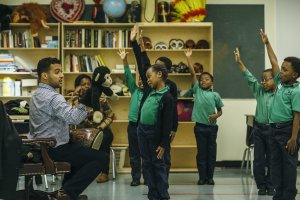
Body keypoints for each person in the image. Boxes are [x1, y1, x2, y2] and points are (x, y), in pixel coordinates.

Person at [29, 57, 109, 200]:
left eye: (61, 72)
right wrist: (84, 102)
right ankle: (66, 193)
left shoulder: (36, 94)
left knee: (80, 154)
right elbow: (75, 118)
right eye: (57, 72)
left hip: (41, 147)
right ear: (44, 75)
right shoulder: (53, 97)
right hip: (55, 149)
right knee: (101, 158)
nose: (62, 75)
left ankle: (65, 192)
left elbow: (61, 115)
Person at [130, 25, 178, 178]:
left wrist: (174, 128)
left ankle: (163, 186)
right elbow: (143, 63)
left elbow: (172, 110)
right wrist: (135, 44)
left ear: (162, 72)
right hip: (146, 128)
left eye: (157, 67)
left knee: (163, 159)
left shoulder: (170, 87)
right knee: (149, 160)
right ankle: (153, 187)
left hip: (162, 128)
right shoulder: (150, 84)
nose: (152, 69)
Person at [261, 29, 300, 200]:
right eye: (281, 69)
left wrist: (293, 138)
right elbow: (273, 60)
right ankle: (279, 193)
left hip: (287, 131)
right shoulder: (279, 83)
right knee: (275, 164)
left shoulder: (296, 90)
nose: (281, 72)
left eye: (285, 70)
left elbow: (297, 115)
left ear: (295, 74)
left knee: (288, 165)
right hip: (273, 130)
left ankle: (289, 195)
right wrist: (267, 43)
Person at [234, 47, 275, 195]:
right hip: (258, 129)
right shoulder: (259, 91)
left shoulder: (279, 93)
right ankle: (261, 186)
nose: (263, 82)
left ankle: (271, 185)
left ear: (275, 79)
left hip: (273, 130)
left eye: (267, 79)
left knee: (272, 159)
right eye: (262, 79)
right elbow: (249, 76)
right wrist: (240, 62)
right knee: (258, 160)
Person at [184, 48, 223, 185]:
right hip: (199, 128)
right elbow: (192, 74)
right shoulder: (197, 91)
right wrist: (189, 58)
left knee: (211, 153)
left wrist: (216, 115)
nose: (203, 81)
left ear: (212, 82)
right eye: (201, 80)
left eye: (206, 79)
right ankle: (202, 177)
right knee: (201, 153)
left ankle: (210, 177)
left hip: (212, 129)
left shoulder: (215, 95)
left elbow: (220, 111)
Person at [72, 74, 114, 183]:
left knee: (105, 138)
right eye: (83, 84)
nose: (86, 86)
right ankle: (81, 172)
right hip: (84, 132)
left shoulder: (100, 99)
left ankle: (104, 173)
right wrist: (75, 97)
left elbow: (111, 115)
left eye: (88, 84)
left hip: (101, 130)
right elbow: (71, 117)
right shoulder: (75, 101)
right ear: (77, 86)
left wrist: (102, 126)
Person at [117, 49, 145, 186]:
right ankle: (135, 178)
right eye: (140, 78)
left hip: (146, 127)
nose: (141, 81)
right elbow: (128, 76)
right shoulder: (134, 90)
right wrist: (124, 61)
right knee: (134, 154)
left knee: (146, 154)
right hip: (133, 126)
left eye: (144, 79)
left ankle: (148, 177)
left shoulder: (152, 93)